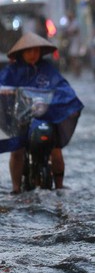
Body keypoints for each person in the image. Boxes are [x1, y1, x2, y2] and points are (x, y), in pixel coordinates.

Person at [0, 32, 84, 193]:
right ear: (21, 53)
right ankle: (15, 188)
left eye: (36, 51)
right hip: (20, 118)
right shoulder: (11, 71)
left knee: (56, 150)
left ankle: (59, 186)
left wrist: (68, 99)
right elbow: (3, 86)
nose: (33, 55)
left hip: (45, 116)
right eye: (29, 51)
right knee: (17, 151)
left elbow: (62, 87)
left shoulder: (48, 69)